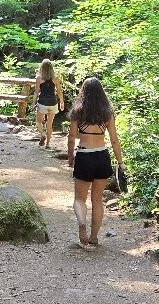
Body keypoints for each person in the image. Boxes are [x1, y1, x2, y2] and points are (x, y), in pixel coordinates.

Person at [67, 77, 124, 247]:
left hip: (84, 156)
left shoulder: (78, 111)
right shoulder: (107, 113)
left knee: (79, 199)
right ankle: (94, 237)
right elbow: (114, 140)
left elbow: (71, 137)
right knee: (97, 200)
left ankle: (82, 224)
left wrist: (70, 157)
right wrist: (120, 162)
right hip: (102, 156)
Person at [32, 59, 65, 150]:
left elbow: (36, 91)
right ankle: (48, 144)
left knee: (39, 121)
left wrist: (33, 103)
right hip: (53, 103)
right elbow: (59, 92)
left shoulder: (39, 78)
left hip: (42, 102)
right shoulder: (55, 78)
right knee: (49, 123)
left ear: (42, 67)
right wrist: (61, 102)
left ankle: (42, 134)